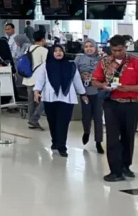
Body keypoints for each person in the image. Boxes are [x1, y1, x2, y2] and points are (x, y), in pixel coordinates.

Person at [92, 35, 138, 182]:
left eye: (119, 50)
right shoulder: (104, 62)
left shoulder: (135, 62)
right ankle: (115, 170)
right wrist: (103, 86)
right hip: (112, 103)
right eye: (114, 50)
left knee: (128, 136)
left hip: (131, 103)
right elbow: (94, 81)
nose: (117, 53)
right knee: (112, 137)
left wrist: (128, 88)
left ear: (125, 47)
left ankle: (126, 166)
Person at [34, 45, 86, 157]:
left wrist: (83, 93)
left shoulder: (71, 65)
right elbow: (40, 79)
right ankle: (55, 142)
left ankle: (62, 146)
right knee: (52, 122)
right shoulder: (46, 65)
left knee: (63, 123)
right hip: (50, 98)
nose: (58, 53)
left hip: (67, 98)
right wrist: (36, 91)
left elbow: (77, 80)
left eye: (60, 50)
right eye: (55, 51)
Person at [74, 39, 104, 154]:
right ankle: (86, 131)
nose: (89, 48)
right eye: (86, 46)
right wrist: (81, 76)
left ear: (95, 47)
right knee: (86, 117)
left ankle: (98, 142)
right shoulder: (79, 58)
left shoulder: (101, 59)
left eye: (91, 46)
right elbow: (73, 73)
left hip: (98, 92)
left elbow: (107, 74)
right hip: (85, 93)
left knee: (98, 118)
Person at [23, 31, 48, 130]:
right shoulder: (43, 50)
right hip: (38, 80)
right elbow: (47, 66)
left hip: (28, 78)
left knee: (31, 101)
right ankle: (34, 119)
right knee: (45, 100)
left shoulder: (28, 49)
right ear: (43, 39)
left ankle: (32, 121)